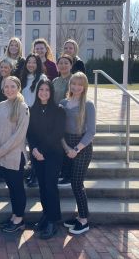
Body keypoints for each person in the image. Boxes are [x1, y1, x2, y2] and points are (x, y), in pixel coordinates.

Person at [27, 80, 65, 239]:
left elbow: (57, 134)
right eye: (41, 89)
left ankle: (53, 221)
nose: (43, 92)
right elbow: (30, 133)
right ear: (37, 92)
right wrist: (34, 149)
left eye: (47, 90)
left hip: (53, 154)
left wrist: (41, 150)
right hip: (37, 155)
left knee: (50, 186)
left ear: (51, 92)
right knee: (42, 186)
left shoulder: (59, 110)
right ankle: (45, 214)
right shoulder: (31, 110)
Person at [60, 72, 96, 235]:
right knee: (71, 182)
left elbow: (91, 132)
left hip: (82, 147)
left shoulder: (88, 104)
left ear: (85, 86)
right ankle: (80, 216)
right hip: (66, 145)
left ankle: (83, 220)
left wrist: (76, 150)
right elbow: (59, 131)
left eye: (80, 84)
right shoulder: (63, 103)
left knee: (77, 184)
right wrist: (67, 148)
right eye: (74, 83)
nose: (76, 87)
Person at [0, 76, 30, 233]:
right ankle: (14, 215)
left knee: (17, 188)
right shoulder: (1, 105)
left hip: (15, 156)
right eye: (6, 87)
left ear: (19, 87)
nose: (9, 89)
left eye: (12, 86)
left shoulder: (23, 107)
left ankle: (19, 219)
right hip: (2, 155)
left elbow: (19, 135)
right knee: (11, 188)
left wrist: (2, 150)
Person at [21, 53, 47, 188]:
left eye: (34, 62)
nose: (31, 65)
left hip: (37, 116)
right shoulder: (23, 78)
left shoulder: (42, 78)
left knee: (35, 146)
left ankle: (36, 175)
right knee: (29, 145)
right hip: (24, 115)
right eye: (29, 62)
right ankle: (31, 172)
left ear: (38, 64)